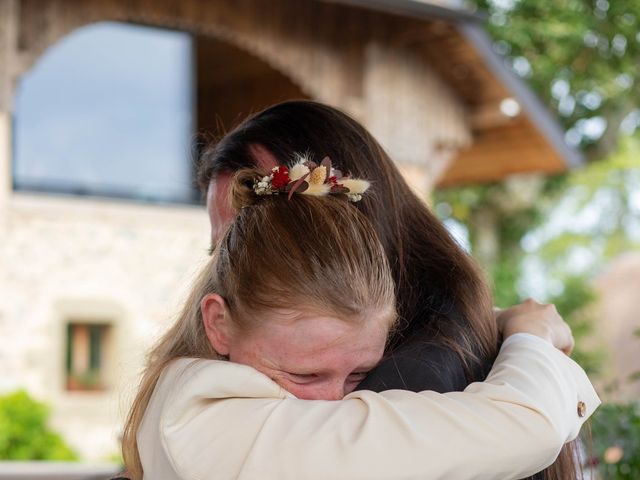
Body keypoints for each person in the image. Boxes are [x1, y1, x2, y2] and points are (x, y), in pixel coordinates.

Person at [122, 162, 599, 480]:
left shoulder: (180, 388)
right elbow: (527, 426)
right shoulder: (226, 429)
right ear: (219, 323)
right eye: (304, 374)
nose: (336, 399)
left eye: (357, 371)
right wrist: (531, 333)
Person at [198, 100, 584, 479]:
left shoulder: (415, 376)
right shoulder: (449, 326)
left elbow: (527, 425)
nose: (240, 259)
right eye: (223, 249)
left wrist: (531, 337)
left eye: (267, 219)